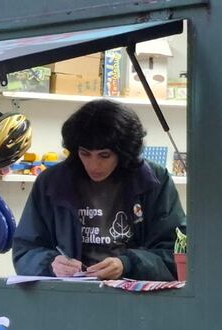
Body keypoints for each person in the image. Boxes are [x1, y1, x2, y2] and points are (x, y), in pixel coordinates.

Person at [12, 99, 186, 281]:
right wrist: (49, 263)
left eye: (104, 155)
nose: (94, 165)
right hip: (69, 295)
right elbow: (25, 250)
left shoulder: (153, 180)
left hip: (135, 300)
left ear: (123, 151)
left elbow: (177, 253)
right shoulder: (52, 183)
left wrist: (128, 264)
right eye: (85, 153)